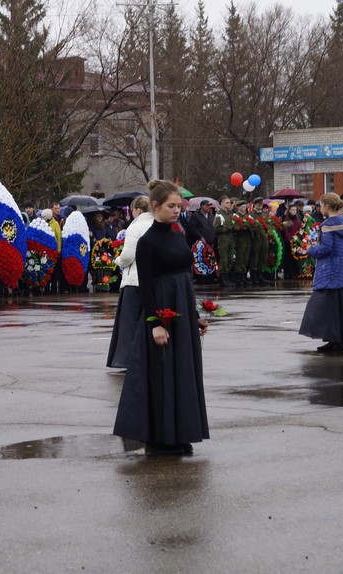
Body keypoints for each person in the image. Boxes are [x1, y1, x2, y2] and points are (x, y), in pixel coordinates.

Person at [113, 180, 209, 456]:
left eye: (179, 206)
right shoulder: (147, 242)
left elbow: (186, 279)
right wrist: (154, 323)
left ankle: (179, 433)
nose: (177, 210)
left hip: (182, 314)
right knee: (161, 377)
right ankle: (158, 439)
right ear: (155, 207)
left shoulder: (179, 235)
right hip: (161, 314)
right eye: (171, 206)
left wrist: (194, 316)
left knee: (181, 374)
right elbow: (146, 287)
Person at [298, 192, 343, 355]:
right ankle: (339, 341)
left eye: (322, 205)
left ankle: (333, 339)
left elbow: (325, 249)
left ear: (327, 206)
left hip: (329, 269)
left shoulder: (327, 225)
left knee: (326, 306)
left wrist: (311, 250)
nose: (321, 208)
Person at [107, 195, 153, 369]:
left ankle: (126, 359)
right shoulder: (156, 224)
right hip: (152, 280)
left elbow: (128, 255)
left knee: (129, 323)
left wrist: (117, 261)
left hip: (134, 281)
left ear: (138, 210)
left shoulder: (136, 227)